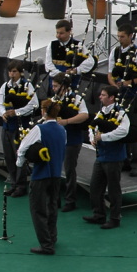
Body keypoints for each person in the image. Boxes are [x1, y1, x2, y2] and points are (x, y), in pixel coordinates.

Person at [17, 99, 67, 255]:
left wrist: (19, 164)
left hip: (40, 175)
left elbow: (22, 147)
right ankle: (52, 237)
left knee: (38, 210)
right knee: (52, 206)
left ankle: (46, 245)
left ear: (43, 111)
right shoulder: (62, 130)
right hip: (56, 175)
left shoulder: (39, 129)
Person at [107, 23, 137, 176]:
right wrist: (114, 85)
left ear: (130, 36)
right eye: (118, 36)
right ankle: (124, 159)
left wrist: (130, 82)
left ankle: (136, 162)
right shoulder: (115, 51)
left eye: (122, 37)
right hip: (120, 95)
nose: (120, 39)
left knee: (134, 127)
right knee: (120, 126)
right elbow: (110, 73)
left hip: (133, 95)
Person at [83, 85, 130, 230]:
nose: (100, 97)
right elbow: (92, 126)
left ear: (111, 97)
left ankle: (115, 218)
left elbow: (123, 131)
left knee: (114, 189)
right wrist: (92, 137)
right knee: (95, 187)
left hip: (114, 157)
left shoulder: (121, 114)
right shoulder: (102, 112)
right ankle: (99, 214)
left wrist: (103, 137)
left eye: (103, 95)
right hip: (101, 156)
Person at [0, 60, 38, 198]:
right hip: (7, 126)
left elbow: (34, 105)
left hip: (20, 127)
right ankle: (14, 183)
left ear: (21, 72)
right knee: (8, 156)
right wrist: (3, 113)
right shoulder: (5, 86)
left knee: (19, 155)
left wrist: (16, 112)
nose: (11, 74)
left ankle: (21, 185)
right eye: (10, 71)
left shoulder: (27, 86)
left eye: (14, 71)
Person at [49, 73, 89, 213]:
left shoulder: (77, 98)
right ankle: (56, 198)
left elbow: (84, 115)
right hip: (57, 139)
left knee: (69, 169)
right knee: (55, 168)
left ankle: (70, 200)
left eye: (55, 86)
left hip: (72, 139)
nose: (53, 88)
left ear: (64, 86)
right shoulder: (55, 99)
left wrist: (66, 121)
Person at [44, 20, 95, 92]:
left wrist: (76, 70)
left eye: (61, 33)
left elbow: (90, 61)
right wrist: (61, 75)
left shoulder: (78, 45)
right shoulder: (52, 45)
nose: (58, 35)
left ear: (69, 32)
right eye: (57, 32)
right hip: (55, 83)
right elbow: (48, 64)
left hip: (72, 83)